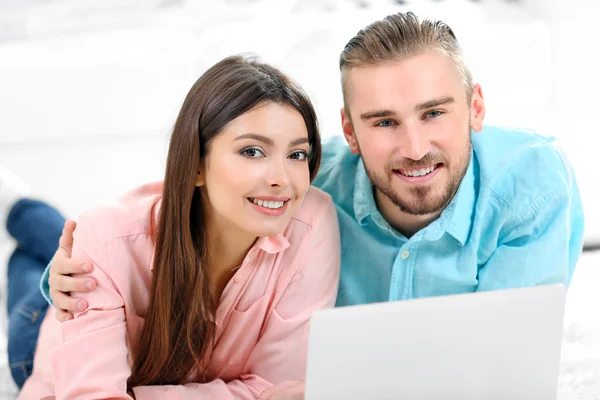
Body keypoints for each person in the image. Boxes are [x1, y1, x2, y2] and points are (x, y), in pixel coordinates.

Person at [46, 11, 586, 399]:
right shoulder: (304, 185)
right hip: (92, 333)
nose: (415, 147)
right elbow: (177, 199)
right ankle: (33, 222)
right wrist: (67, 275)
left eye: (434, 113)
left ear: (476, 107)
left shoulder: (531, 186)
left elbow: (506, 372)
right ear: (349, 131)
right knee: (29, 304)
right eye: (383, 122)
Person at [15, 55, 341, 399]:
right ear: (196, 164)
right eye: (252, 151)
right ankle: (19, 208)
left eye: (297, 155)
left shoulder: (312, 220)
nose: (281, 180)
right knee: (27, 282)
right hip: (46, 343)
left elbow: (279, 388)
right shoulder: (108, 236)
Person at [0, 166, 66, 389]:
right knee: (75, 258)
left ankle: (18, 211)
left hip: (31, 346)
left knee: (28, 256)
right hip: (31, 345)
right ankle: (18, 211)